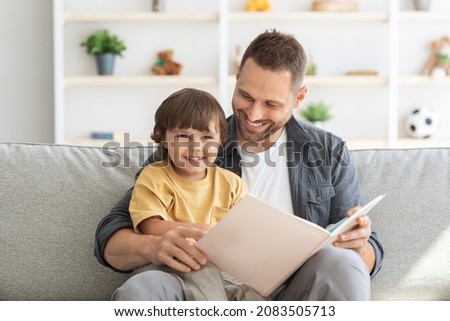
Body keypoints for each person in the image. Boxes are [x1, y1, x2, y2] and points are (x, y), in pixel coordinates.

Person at [94, 29, 384, 301]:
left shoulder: (328, 151)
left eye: (271, 104)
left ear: (299, 97)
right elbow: (110, 235)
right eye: (246, 96)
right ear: (236, 77)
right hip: (201, 286)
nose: (254, 114)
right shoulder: (189, 145)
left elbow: (371, 256)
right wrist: (153, 247)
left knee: (343, 262)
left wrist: (357, 245)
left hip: (291, 293)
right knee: (144, 287)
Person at [125, 87, 255, 300]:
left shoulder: (232, 183)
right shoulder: (154, 177)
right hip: (168, 266)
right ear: (164, 139)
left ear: (220, 139)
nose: (196, 148)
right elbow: (151, 225)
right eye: (184, 136)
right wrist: (205, 231)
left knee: (253, 294)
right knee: (204, 281)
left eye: (206, 137)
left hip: (219, 270)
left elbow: (242, 232)